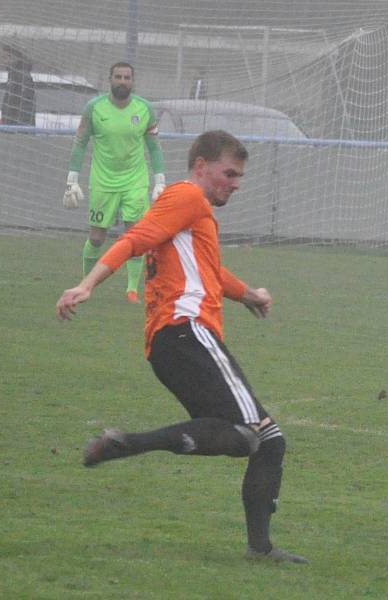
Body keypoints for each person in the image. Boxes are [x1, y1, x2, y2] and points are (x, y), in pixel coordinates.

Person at [56, 129, 308, 564]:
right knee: (253, 434)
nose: (235, 183)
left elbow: (210, 270)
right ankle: (129, 443)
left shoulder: (196, 216)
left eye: (239, 176)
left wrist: (247, 294)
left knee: (268, 440)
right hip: (187, 331)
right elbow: (134, 239)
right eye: (229, 173)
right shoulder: (187, 197)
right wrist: (86, 284)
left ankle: (261, 549)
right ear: (200, 167)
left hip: (173, 342)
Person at [62, 61, 166, 304]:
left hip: (135, 181)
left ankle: (132, 289)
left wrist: (159, 180)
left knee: (137, 235)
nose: (122, 81)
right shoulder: (93, 108)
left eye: (127, 77)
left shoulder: (145, 109)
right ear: (110, 80)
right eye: (118, 77)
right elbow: (80, 142)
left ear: (132, 81)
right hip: (103, 181)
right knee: (97, 237)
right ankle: (87, 283)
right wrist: (71, 179)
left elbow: (154, 146)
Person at [1, 45, 35, 126]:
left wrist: (18, 129)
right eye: (3, 57)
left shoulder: (22, 75)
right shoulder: (12, 74)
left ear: (15, 57)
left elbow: (26, 105)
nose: (3, 60)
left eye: (6, 57)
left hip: (18, 129)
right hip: (10, 125)